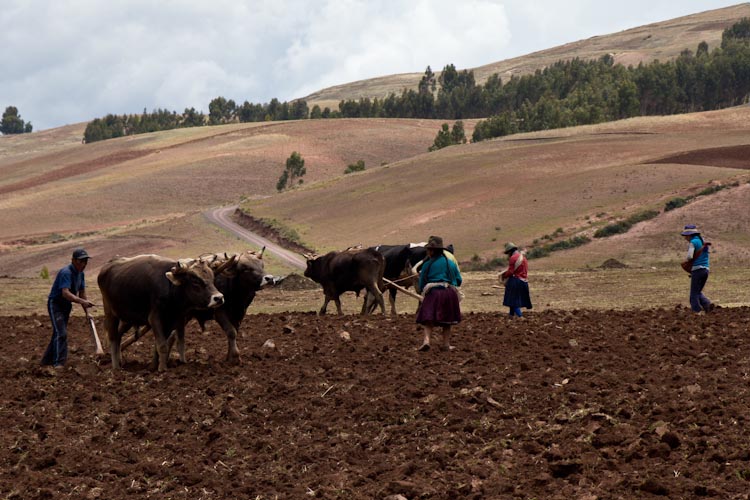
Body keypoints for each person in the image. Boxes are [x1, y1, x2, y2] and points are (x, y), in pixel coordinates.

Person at [41, 248, 95, 367]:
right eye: (81, 261)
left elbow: (82, 293)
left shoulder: (81, 274)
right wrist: (82, 301)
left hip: (66, 306)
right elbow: (65, 293)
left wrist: (87, 312)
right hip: (56, 305)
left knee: (58, 333)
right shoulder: (66, 272)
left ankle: (45, 361)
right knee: (62, 333)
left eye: (85, 261)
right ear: (73, 261)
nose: (84, 264)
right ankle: (59, 364)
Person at [416, 235, 462, 352]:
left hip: (434, 293)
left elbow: (422, 283)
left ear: (431, 251)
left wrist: (423, 291)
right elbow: (459, 280)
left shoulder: (427, 265)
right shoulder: (450, 263)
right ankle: (446, 344)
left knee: (428, 319)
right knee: (447, 321)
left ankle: (426, 341)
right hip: (449, 293)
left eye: (428, 250)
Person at [681, 225, 714, 313]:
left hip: (697, 269)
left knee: (693, 294)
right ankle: (707, 305)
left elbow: (689, 256)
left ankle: (696, 311)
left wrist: (686, 261)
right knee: (698, 291)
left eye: (686, 236)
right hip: (705, 269)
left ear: (689, 235)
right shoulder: (702, 240)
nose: (685, 238)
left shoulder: (693, 242)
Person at [500, 242, 532, 317]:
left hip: (515, 281)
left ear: (510, 251)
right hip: (523, 281)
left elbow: (511, 272)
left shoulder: (513, 258)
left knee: (513, 301)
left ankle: (520, 316)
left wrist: (504, 275)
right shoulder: (523, 258)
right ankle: (511, 315)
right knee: (512, 299)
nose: (508, 254)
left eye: (508, 253)